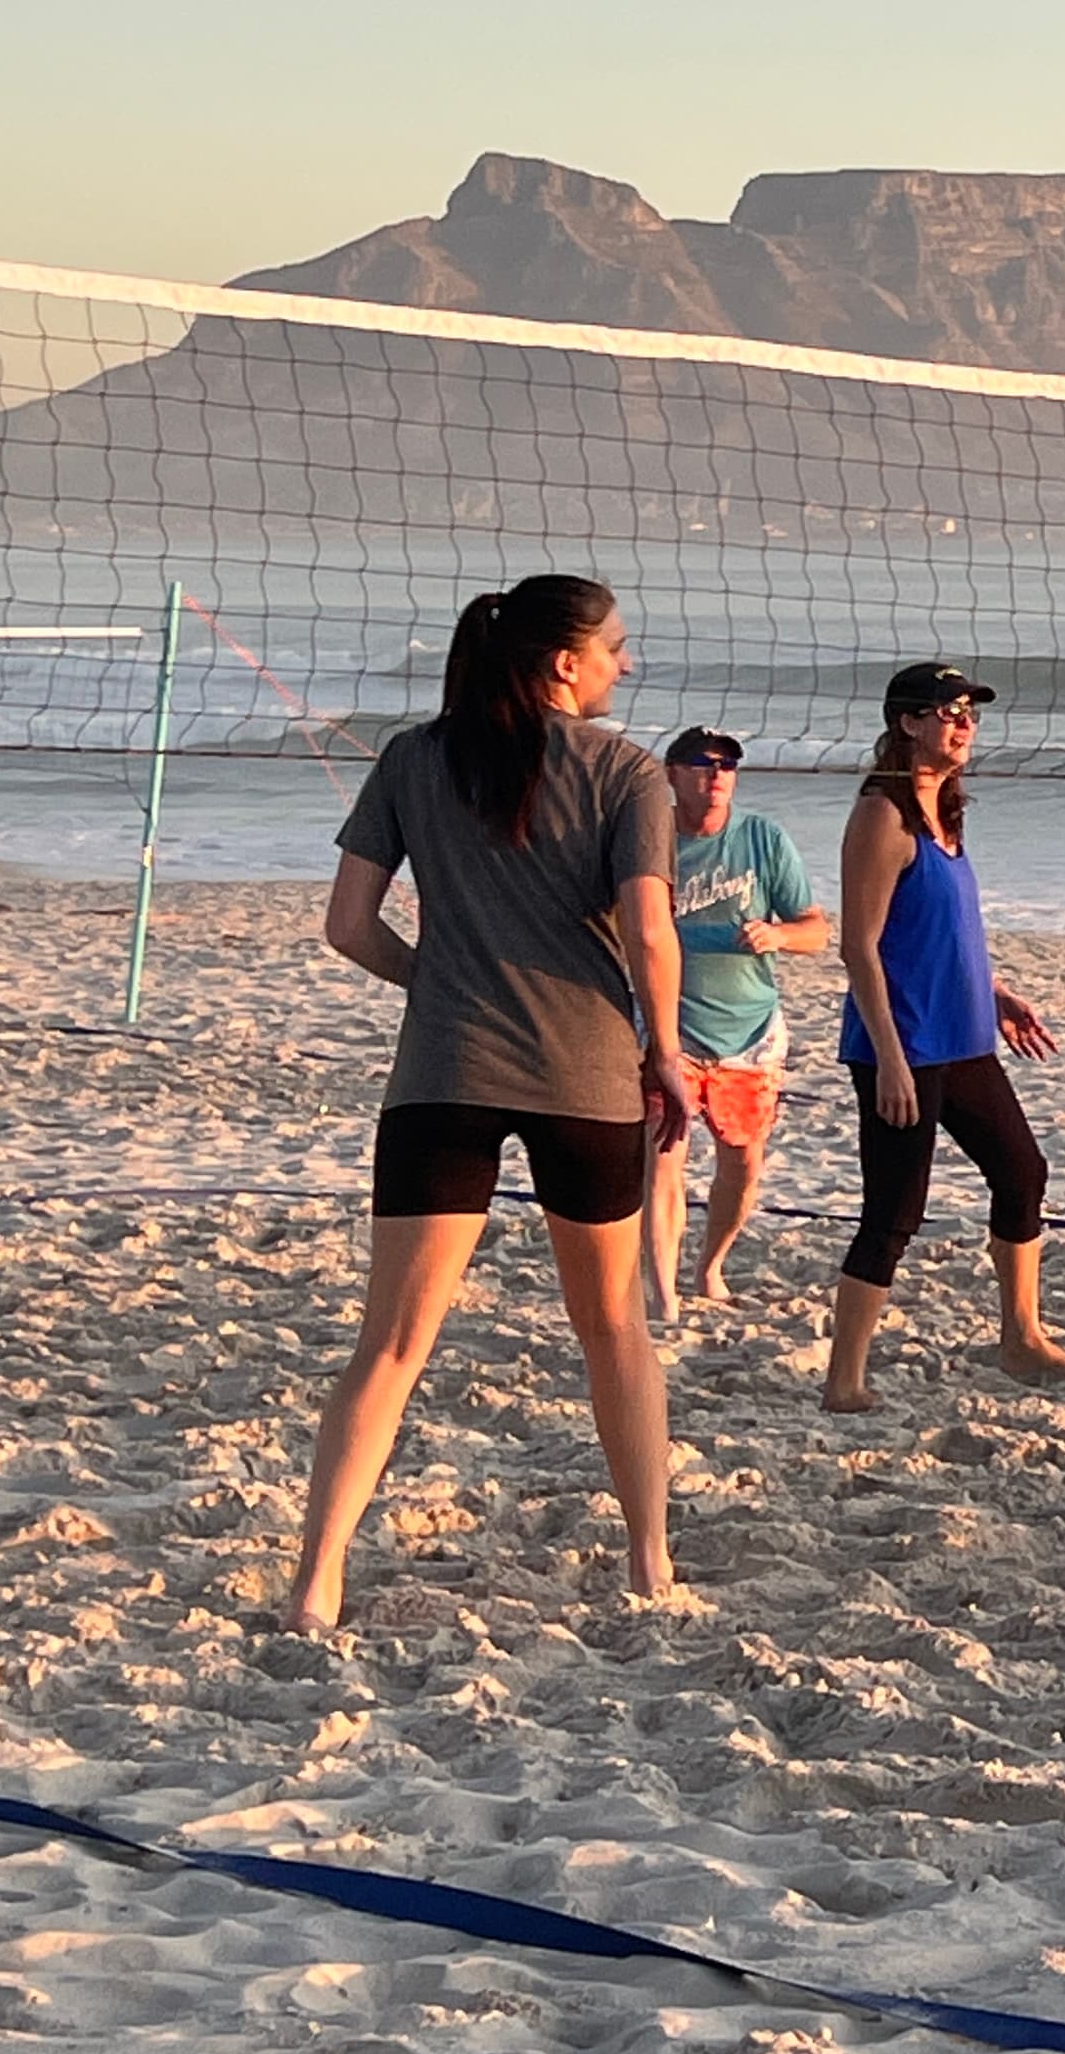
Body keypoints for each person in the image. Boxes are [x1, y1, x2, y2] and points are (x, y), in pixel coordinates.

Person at [289, 574, 692, 1630]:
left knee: (389, 1344)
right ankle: (649, 1564)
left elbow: (347, 926)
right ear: (566, 661)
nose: (625, 664)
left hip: (443, 1075)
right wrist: (668, 1053)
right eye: (614, 647)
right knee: (614, 1327)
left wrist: (440, 980)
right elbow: (651, 932)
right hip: (586, 1073)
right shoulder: (624, 772)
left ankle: (316, 1581)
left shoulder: (414, 758)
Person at [824, 661, 1065, 1410]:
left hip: (965, 1036)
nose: (965, 722)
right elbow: (860, 946)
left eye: (971, 710)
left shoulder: (947, 811)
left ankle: (1020, 1337)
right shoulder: (883, 814)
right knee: (894, 1212)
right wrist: (887, 1058)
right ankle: (844, 1381)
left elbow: (944, 933)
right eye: (949, 710)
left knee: (1022, 1174)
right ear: (909, 722)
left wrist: (998, 993)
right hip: (903, 1046)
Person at [642, 726, 831, 1313]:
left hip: (749, 1033)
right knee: (663, 1157)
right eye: (702, 764)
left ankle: (711, 1268)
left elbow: (817, 931)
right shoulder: (647, 840)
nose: (717, 775)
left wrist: (777, 934)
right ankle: (662, 1293)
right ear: (672, 774)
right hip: (669, 1029)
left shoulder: (762, 839)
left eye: (728, 765)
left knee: (742, 1164)